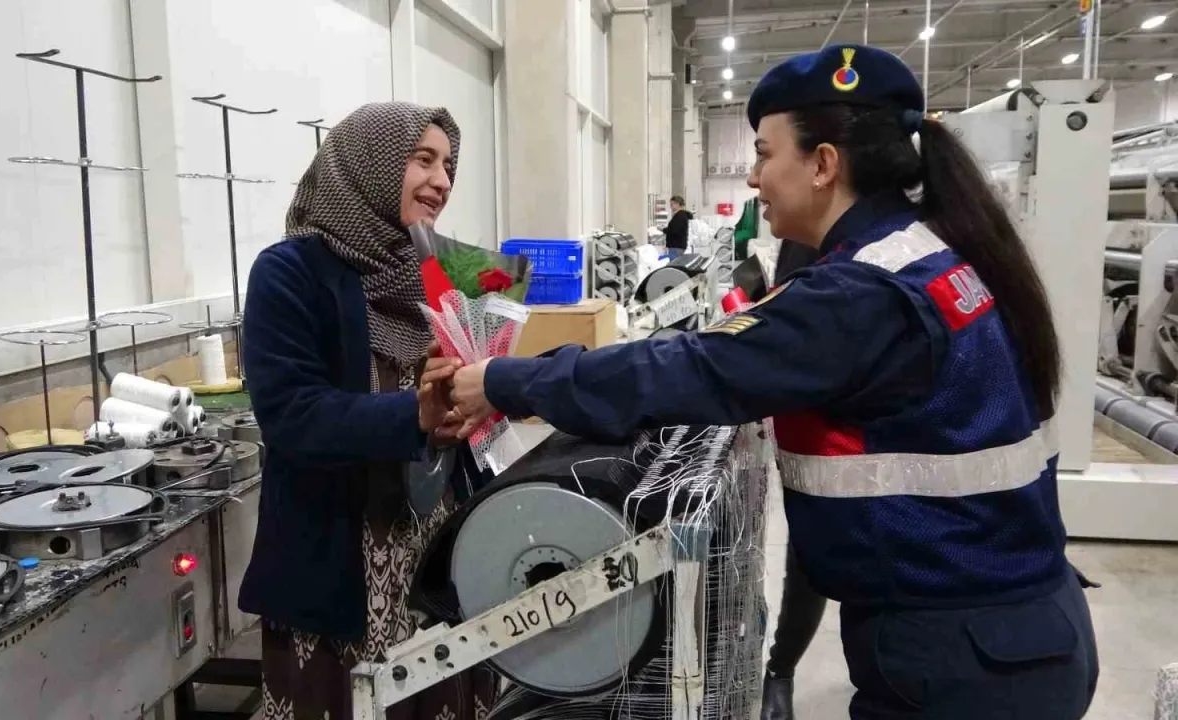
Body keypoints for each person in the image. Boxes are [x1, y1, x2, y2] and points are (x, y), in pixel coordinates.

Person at [433, 46, 1099, 719]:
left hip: (965, 656)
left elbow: (689, 369)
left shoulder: (861, 295)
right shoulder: (923, 256)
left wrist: (504, 380)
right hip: (1003, 628)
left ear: (823, 164)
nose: (754, 178)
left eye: (764, 153)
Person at [239, 101, 495, 720]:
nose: (442, 180)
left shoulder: (443, 272)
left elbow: (461, 395)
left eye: (449, 165)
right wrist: (415, 415)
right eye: (423, 159)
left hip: (431, 556)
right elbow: (292, 414)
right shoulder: (290, 274)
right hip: (340, 565)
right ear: (370, 164)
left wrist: (477, 407)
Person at [761, 237, 826, 720]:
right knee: (810, 558)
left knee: (814, 557)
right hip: (815, 444)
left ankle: (781, 669)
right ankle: (780, 670)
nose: (763, 203)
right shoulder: (800, 242)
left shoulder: (869, 267)